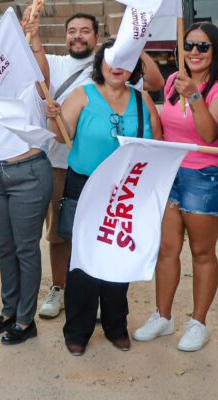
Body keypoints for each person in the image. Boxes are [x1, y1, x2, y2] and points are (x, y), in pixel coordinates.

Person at [27, 12, 165, 319]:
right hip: (65, 167)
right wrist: (34, 37)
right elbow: (39, 73)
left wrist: (129, 43)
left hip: (118, 176)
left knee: (110, 234)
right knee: (62, 234)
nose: (77, 36)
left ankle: (106, 295)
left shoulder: (119, 67)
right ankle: (60, 288)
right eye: (72, 31)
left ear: (97, 37)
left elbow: (156, 81)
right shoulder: (58, 63)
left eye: (85, 31)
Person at [134, 22, 218, 353]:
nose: (194, 52)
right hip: (170, 174)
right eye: (189, 45)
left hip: (205, 176)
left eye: (203, 47)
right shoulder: (170, 82)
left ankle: (198, 322)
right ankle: (163, 316)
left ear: (215, 51)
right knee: (167, 249)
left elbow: (209, 133)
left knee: (201, 252)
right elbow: (164, 128)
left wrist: (193, 94)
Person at [53, 39, 162, 355]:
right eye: (111, 59)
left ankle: (116, 325)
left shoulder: (143, 101)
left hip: (126, 191)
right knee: (83, 261)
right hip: (85, 186)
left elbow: (157, 144)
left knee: (117, 257)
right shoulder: (82, 95)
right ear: (99, 63)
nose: (117, 67)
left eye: (126, 60)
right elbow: (63, 134)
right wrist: (53, 115)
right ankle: (77, 330)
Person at [0, 19, 60, 346]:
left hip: (29, 173)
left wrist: (35, 37)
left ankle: (26, 320)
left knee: (26, 250)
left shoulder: (32, 83)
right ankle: (9, 309)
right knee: (5, 249)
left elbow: (40, 66)